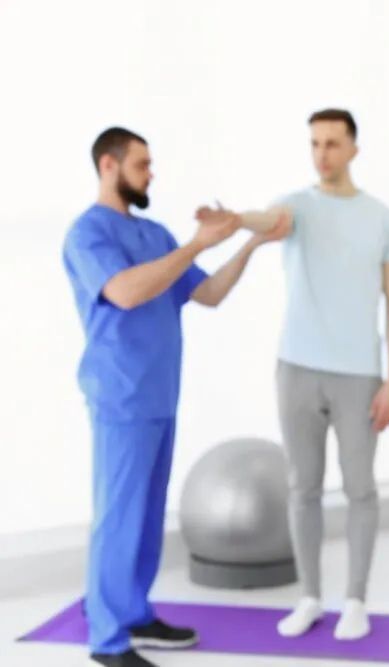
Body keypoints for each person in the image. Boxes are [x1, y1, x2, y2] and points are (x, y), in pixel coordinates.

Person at [63, 127, 290, 667]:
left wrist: (250, 241)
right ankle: (108, 639)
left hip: (159, 395)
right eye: (141, 164)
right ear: (109, 166)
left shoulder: (156, 233)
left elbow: (206, 292)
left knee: (143, 515)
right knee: (118, 515)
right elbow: (124, 291)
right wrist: (197, 243)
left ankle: (134, 612)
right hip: (120, 396)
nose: (151, 173)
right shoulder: (87, 233)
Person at [212, 108, 389, 640]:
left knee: (360, 488)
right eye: (314, 144)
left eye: (331, 143)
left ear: (353, 149)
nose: (321, 153)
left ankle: (355, 600)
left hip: (358, 375)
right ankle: (309, 597)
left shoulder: (382, 219)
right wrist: (236, 220)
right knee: (303, 488)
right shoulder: (296, 208)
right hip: (296, 368)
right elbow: (265, 219)